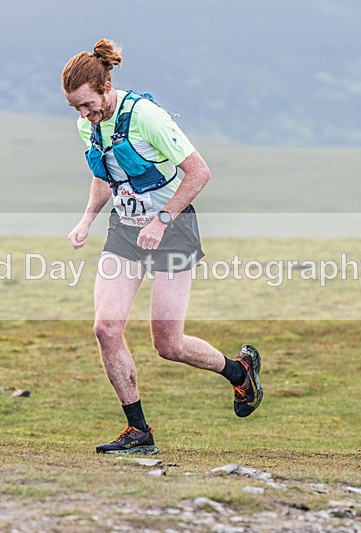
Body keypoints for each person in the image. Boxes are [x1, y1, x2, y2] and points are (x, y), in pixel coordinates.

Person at [62, 38, 263, 454]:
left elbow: (199, 172)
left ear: (106, 85)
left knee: (168, 344)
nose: (83, 114)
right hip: (125, 231)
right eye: (75, 108)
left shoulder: (146, 116)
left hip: (173, 229)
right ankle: (138, 431)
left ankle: (239, 371)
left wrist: (163, 218)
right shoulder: (88, 124)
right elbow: (105, 174)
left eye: (87, 104)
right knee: (105, 327)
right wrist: (86, 220)